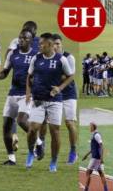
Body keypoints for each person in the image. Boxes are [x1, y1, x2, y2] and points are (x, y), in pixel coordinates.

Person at [25, 32, 74, 172]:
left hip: (55, 101)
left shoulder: (61, 60)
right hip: (38, 99)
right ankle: (30, 152)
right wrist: (28, 93)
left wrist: (59, 88)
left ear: (51, 45)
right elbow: (29, 76)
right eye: (39, 43)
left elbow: (70, 76)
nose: (39, 45)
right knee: (33, 128)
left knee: (55, 131)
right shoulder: (36, 58)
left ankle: (53, 162)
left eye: (42, 44)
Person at [0, 29, 37, 165]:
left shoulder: (35, 56)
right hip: (12, 94)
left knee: (21, 120)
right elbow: (6, 71)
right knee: (6, 126)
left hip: (27, 94)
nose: (21, 40)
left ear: (31, 40)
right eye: (20, 38)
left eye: (25, 38)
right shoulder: (12, 54)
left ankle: (38, 142)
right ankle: (11, 158)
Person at [52, 34, 78, 164]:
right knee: (51, 124)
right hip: (54, 93)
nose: (55, 46)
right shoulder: (49, 58)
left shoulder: (69, 57)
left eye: (58, 44)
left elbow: (70, 77)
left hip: (68, 93)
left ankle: (73, 151)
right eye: (53, 44)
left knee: (69, 123)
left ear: (61, 44)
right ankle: (40, 146)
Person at [82, 122, 108, 191]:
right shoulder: (94, 135)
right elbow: (93, 148)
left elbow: (101, 146)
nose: (89, 128)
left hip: (95, 158)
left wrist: (102, 158)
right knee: (101, 174)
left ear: (93, 127)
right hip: (97, 157)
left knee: (88, 172)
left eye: (90, 126)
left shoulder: (97, 135)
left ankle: (86, 189)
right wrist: (86, 155)